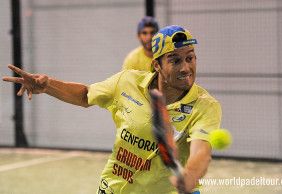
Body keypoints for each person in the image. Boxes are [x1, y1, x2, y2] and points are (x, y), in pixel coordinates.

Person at [3, 25, 221, 194]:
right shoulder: (126, 82)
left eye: (190, 58)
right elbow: (85, 95)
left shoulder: (205, 105)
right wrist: (47, 85)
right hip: (115, 187)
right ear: (157, 65)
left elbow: (201, 151)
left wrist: (191, 175)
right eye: (175, 61)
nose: (186, 68)